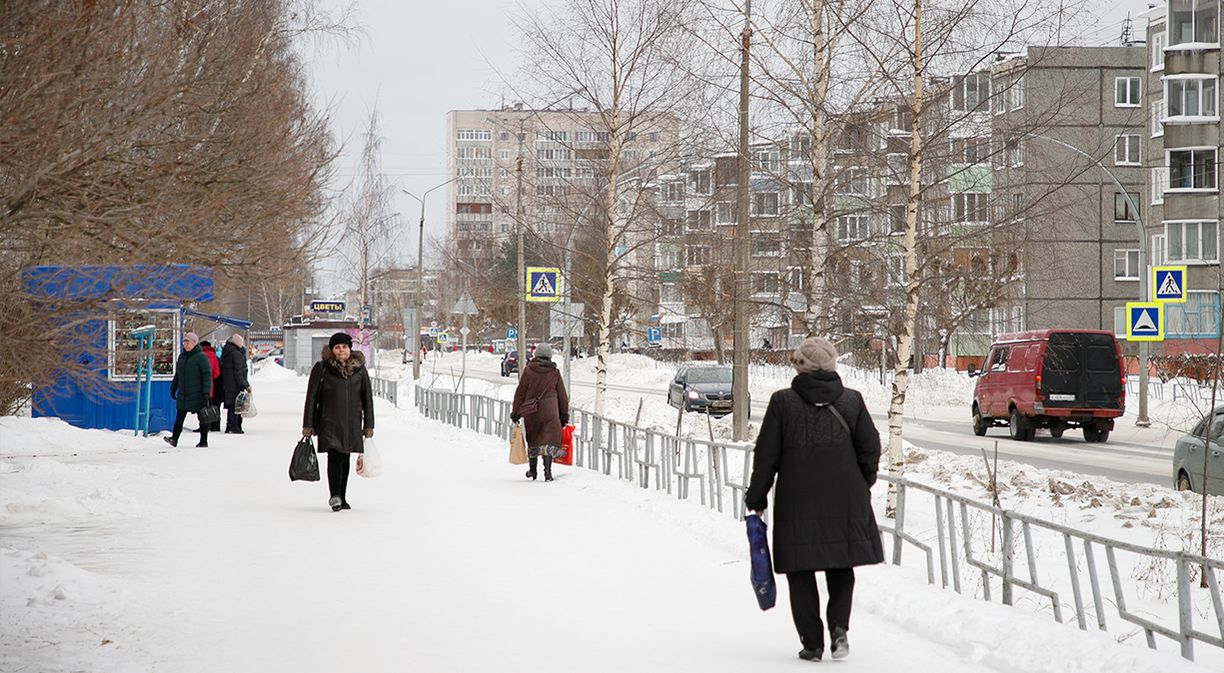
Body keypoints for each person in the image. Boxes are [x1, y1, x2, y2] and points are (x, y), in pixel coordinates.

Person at [744, 336, 883, 662]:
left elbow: (767, 456)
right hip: (845, 498)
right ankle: (839, 629)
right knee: (841, 565)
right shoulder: (852, 401)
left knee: (800, 570)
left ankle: (812, 643)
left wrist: (757, 495)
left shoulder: (783, 402)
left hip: (798, 500)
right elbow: (871, 448)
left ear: (799, 366)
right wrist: (863, 483)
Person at [302, 332, 374, 512]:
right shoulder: (322, 368)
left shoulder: (360, 369)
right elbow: (312, 398)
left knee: (345, 457)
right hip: (329, 420)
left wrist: (369, 425)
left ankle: (342, 496)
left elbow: (367, 398)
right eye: (337, 347)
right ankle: (335, 495)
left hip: (352, 421)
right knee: (334, 456)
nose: (341, 350)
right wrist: (308, 424)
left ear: (350, 349)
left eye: (344, 347)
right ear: (332, 350)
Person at [510, 343, 569, 482]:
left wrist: (516, 412)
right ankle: (548, 472)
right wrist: (563, 415)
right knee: (547, 441)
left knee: (534, 439)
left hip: (532, 412)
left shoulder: (529, 371)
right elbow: (562, 396)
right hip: (550, 412)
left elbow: (520, 393)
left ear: (536, 355)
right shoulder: (554, 373)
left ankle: (532, 470)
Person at [165, 332, 212, 448]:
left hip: (198, 393)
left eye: (188, 342)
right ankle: (174, 439)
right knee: (179, 417)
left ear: (194, 343)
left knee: (202, 417)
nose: (186, 345)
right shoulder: (182, 357)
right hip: (184, 393)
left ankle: (203, 441)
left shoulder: (201, 357)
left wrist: (206, 392)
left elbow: (207, 375)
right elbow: (178, 374)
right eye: (184, 342)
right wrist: (173, 387)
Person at [221, 334, 250, 433]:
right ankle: (235, 426)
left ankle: (229, 425)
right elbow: (238, 371)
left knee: (231, 406)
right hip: (235, 385)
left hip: (228, 384)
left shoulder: (226, 352)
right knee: (236, 406)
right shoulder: (236, 354)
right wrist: (244, 384)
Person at [199, 340, 222, 432]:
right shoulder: (214, 357)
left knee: (202, 406)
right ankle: (215, 425)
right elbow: (217, 373)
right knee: (212, 405)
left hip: (200, 384)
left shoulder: (199, 357)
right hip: (211, 384)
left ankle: (204, 425)